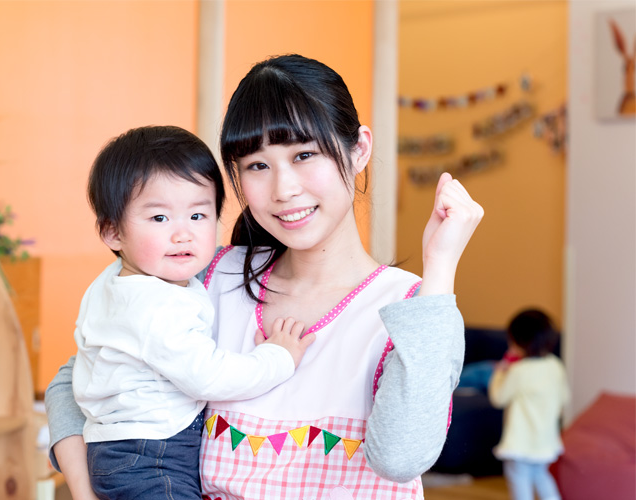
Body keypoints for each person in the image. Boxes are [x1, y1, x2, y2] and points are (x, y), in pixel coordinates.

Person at [46, 54, 484, 500]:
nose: (283, 189)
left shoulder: (410, 310)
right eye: (257, 165)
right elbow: (74, 380)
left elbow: (401, 458)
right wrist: (84, 492)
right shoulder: (203, 276)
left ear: (359, 150)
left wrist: (440, 266)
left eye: (304, 154)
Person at [71, 125, 314, 500]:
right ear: (112, 232)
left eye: (198, 216)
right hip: (151, 457)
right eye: (159, 219)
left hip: (121, 450)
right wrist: (277, 357)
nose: (182, 234)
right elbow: (208, 376)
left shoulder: (115, 283)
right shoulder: (155, 306)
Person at [489, 309, 569, 500]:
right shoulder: (555, 366)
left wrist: (500, 372)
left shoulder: (518, 371)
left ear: (517, 342)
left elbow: (497, 398)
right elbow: (564, 398)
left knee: (519, 481)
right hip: (545, 442)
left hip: (520, 445)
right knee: (541, 476)